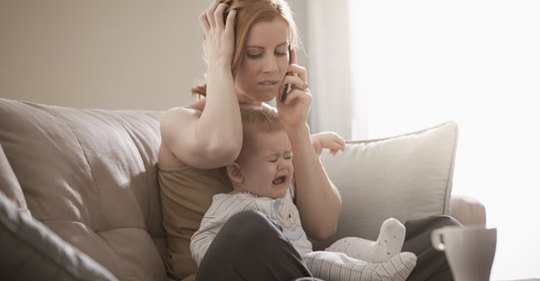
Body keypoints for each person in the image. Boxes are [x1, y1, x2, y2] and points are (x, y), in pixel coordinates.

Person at [158, 0, 460, 280]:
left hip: (296, 268)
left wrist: (295, 127)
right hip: (220, 270)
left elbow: (324, 224)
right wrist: (217, 64)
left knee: (445, 235)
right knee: (249, 227)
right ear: (224, 50)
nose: (272, 67)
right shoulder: (181, 121)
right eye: (254, 53)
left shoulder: (278, 124)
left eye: (280, 51)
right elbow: (223, 146)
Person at [190, 107, 417, 281]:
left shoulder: (284, 191)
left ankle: (378, 253)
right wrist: (221, 253)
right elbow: (201, 238)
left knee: (340, 247)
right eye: (273, 159)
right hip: (303, 262)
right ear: (237, 173)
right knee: (323, 259)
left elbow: (297, 150)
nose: (284, 166)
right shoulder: (230, 204)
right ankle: (374, 275)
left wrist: (316, 141)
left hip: (309, 261)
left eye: (287, 157)